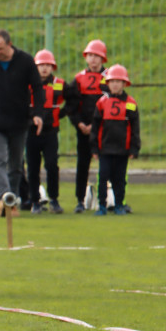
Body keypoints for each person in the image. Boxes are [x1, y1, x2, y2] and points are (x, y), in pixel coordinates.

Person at [0, 29, 42, 214]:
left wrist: (38, 113)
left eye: (0, 48)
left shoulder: (25, 61)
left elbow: (37, 88)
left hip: (20, 123)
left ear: (9, 44)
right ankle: (3, 200)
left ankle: (12, 198)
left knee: (16, 164)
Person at [63, 39, 109, 213]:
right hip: (84, 130)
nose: (93, 59)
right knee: (82, 164)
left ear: (103, 58)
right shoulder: (79, 78)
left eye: (97, 56)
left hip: (105, 131)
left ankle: (108, 200)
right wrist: (80, 124)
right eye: (90, 55)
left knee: (107, 166)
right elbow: (72, 106)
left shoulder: (110, 77)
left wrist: (99, 126)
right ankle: (80, 200)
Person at [91, 65, 140, 215]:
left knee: (120, 179)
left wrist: (134, 147)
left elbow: (135, 128)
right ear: (108, 83)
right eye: (112, 81)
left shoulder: (131, 103)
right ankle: (102, 205)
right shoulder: (101, 103)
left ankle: (119, 204)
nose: (115, 84)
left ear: (125, 84)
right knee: (103, 177)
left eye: (119, 81)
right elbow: (96, 127)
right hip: (105, 149)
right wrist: (94, 147)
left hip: (122, 149)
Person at [28, 50, 65, 214]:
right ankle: (35, 201)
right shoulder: (28, 85)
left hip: (51, 132)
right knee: (33, 167)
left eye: (48, 65)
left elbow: (73, 100)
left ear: (53, 67)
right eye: (41, 65)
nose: (44, 68)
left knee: (51, 165)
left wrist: (60, 114)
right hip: (31, 132)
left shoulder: (60, 84)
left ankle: (54, 199)